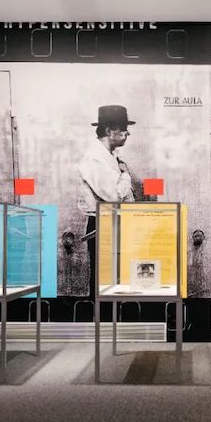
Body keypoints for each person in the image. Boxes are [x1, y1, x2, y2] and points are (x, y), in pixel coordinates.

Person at [77, 105, 136, 294]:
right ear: (109, 131)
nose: (127, 133)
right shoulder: (94, 159)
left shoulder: (109, 156)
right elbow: (113, 197)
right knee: (105, 283)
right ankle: (102, 314)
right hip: (103, 225)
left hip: (114, 223)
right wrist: (125, 175)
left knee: (116, 281)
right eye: (123, 128)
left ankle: (112, 313)